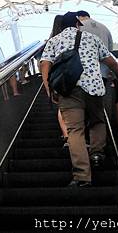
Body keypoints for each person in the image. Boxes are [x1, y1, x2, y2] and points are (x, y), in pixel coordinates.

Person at [40, 12, 118, 187]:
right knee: (97, 121)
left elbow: (45, 63)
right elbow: (109, 60)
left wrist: (49, 88)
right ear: (78, 24)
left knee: (75, 131)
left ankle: (82, 176)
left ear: (62, 26)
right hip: (94, 87)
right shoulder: (91, 38)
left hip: (68, 89)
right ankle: (97, 154)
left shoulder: (54, 41)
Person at [76, 11, 118, 141]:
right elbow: (109, 54)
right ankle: (96, 142)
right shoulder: (105, 28)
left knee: (80, 106)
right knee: (97, 108)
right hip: (102, 75)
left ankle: (82, 137)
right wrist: (113, 71)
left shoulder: (78, 27)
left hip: (83, 75)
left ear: (78, 18)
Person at [46, 15, 68, 145]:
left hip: (56, 77)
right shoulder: (68, 38)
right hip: (69, 76)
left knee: (62, 105)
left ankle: (65, 134)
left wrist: (48, 84)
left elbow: (44, 63)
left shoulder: (52, 39)